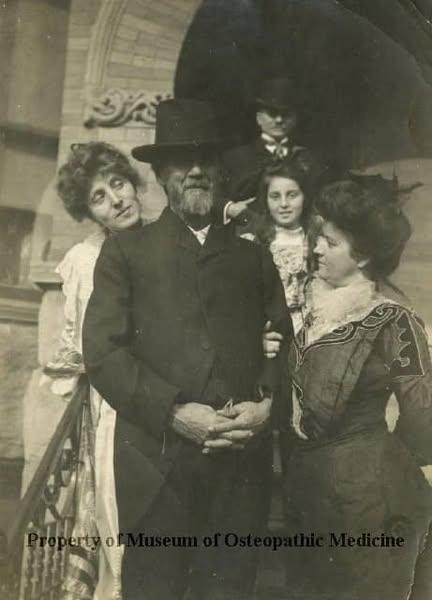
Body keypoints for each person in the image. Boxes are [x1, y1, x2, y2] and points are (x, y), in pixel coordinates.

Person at [82, 98, 293, 600]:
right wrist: (175, 412)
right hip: (157, 471)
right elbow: (103, 354)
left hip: (239, 471)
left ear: (219, 171)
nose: (196, 171)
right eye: (181, 161)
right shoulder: (126, 252)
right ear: (160, 175)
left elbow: (283, 343)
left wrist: (266, 406)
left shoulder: (253, 258)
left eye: (206, 159)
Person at [264, 173, 432, 600]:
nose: (317, 249)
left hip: (368, 501)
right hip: (309, 493)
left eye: (331, 242)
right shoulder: (313, 310)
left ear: (363, 255)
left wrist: (374, 461)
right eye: (319, 238)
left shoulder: (394, 321)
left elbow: (424, 415)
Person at [46, 142, 143, 599]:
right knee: (117, 511)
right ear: (88, 212)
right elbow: (79, 343)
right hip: (115, 403)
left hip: (171, 395)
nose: (116, 200)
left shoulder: (166, 239)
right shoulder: (85, 260)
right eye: (99, 197)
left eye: (118, 184)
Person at [221, 77, 318, 223]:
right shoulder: (234, 157)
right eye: (272, 114)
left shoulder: (306, 158)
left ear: (295, 119)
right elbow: (214, 195)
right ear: (258, 118)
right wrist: (230, 208)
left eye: (285, 114)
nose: (279, 120)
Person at [241, 159, 320, 333]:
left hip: (316, 325)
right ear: (266, 200)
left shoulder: (318, 236)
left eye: (292, 195)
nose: (284, 204)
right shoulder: (254, 241)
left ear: (304, 196)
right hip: (275, 329)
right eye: (275, 197)